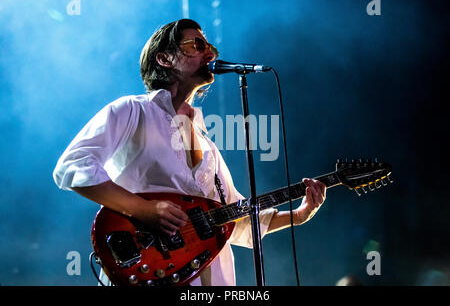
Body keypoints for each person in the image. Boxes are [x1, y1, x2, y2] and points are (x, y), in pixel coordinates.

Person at [53, 18, 327, 286]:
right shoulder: (132, 111)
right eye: (197, 45)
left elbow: (236, 218)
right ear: (164, 58)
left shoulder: (208, 144)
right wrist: (143, 209)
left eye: (211, 48)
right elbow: (73, 166)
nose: (210, 53)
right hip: (145, 268)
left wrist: (300, 214)